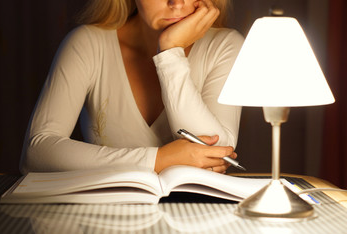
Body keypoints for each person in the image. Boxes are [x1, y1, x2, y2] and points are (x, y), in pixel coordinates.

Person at [20, 0, 243, 174]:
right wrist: (158, 160)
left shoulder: (224, 45)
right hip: (105, 221)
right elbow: (36, 152)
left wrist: (170, 53)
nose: (176, 3)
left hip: (194, 224)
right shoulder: (87, 43)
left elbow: (216, 155)